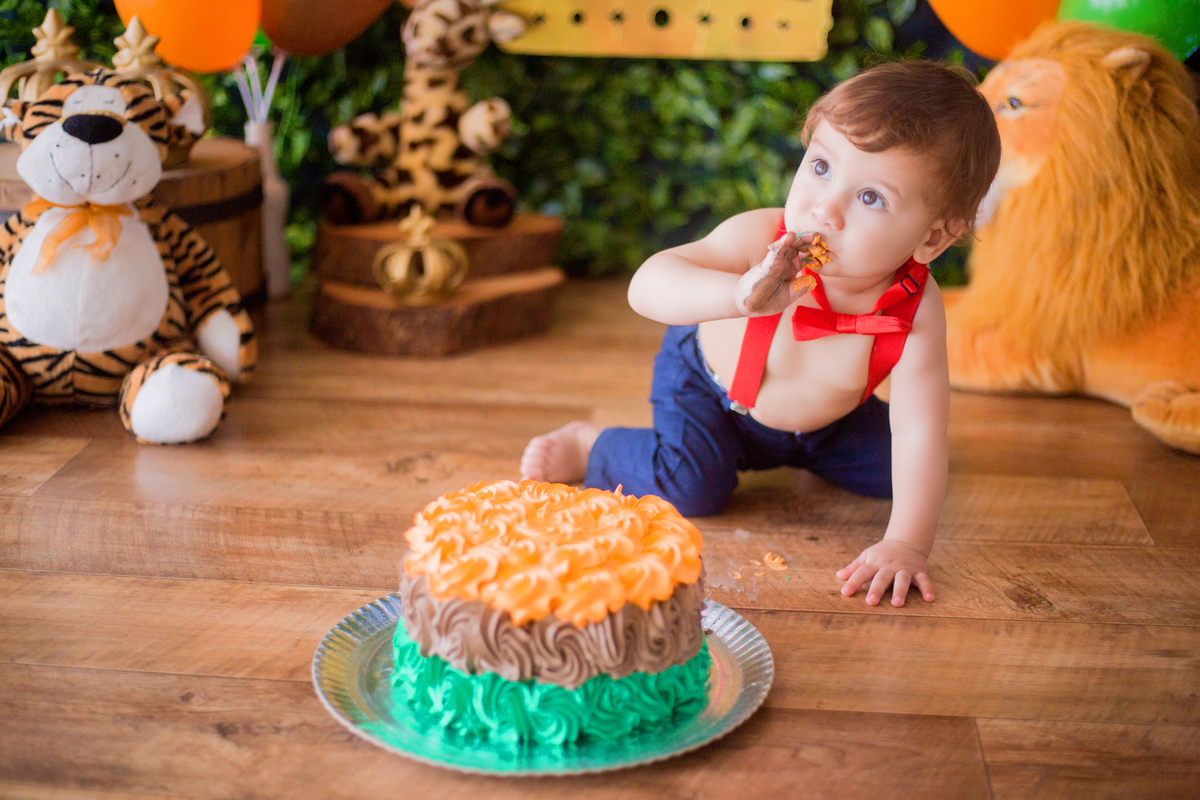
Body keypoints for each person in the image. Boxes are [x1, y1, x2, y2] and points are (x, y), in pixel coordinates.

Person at [521, 60, 1001, 607]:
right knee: (693, 487)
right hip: (713, 394)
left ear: (933, 239)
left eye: (871, 198)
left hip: (824, 425)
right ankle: (596, 445)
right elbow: (646, 286)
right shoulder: (760, 237)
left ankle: (806, 452)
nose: (826, 208)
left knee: (904, 475)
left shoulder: (916, 309)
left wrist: (906, 544)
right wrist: (737, 296)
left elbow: (920, 429)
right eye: (821, 166)